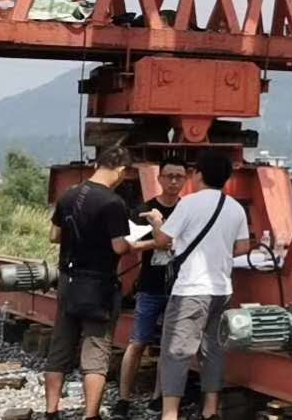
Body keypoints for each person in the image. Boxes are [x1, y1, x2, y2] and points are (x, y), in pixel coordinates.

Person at [147, 148, 251, 420]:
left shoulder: (189, 204)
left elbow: (162, 241)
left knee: (176, 352)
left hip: (191, 290)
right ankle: (210, 411)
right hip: (222, 290)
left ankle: (170, 413)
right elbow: (243, 247)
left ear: (198, 174)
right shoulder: (235, 207)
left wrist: (157, 221)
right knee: (213, 351)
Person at [44, 145, 139, 420]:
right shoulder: (113, 203)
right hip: (98, 285)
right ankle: (91, 414)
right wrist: (144, 244)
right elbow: (119, 246)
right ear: (121, 170)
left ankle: (51, 411)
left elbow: (54, 235)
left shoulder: (69, 195)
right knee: (96, 352)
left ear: (98, 164)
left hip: (68, 280)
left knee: (60, 347)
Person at [110, 159, 186, 420]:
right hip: (151, 286)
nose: (174, 181)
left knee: (168, 345)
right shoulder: (144, 210)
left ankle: (158, 396)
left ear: (185, 180)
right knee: (138, 342)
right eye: (169, 176)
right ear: (160, 179)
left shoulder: (186, 210)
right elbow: (128, 245)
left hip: (179, 287)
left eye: (179, 176)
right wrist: (159, 242)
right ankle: (123, 398)